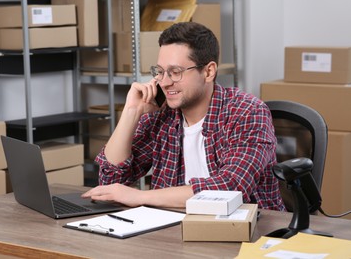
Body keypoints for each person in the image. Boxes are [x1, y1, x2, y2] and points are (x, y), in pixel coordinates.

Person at [82, 22, 286, 211]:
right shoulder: (161, 115)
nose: (164, 82)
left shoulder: (247, 112)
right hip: (174, 230)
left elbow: (230, 187)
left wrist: (140, 196)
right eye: (160, 72)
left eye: (175, 72)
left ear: (209, 72)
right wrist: (131, 112)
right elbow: (111, 179)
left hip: (249, 234)